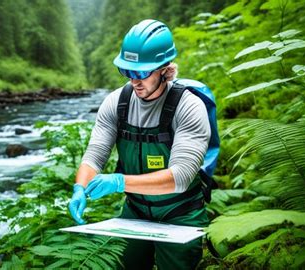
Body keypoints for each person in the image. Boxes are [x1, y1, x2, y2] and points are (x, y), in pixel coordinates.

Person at [68, 19, 211, 269]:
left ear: (164, 68)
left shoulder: (189, 107)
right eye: (127, 71)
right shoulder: (116, 102)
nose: (134, 81)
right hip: (134, 211)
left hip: (181, 212)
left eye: (141, 72)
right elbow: (94, 155)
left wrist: (119, 182)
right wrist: (79, 187)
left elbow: (180, 178)